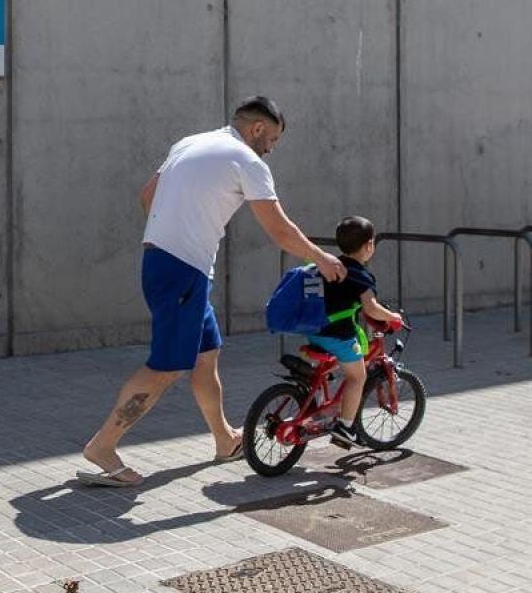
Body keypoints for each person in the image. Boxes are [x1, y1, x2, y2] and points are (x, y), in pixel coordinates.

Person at [77, 96, 347, 487]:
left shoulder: (190, 143)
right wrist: (320, 258)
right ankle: (103, 446)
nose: (272, 148)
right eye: (272, 139)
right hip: (182, 271)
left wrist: (176, 230)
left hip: (168, 264)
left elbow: (147, 197)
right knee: (167, 366)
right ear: (257, 128)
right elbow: (279, 230)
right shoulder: (247, 161)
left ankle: (224, 440)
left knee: (206, 355)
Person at [310, 216, 402, 447]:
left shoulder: (330, 264)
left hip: (314, 330)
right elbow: (371, 308)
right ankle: (346, 426)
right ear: (369, 245)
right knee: (357, 376)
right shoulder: (360, 275)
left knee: (328, 367)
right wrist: (393, 317)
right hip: (338, 335)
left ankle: (316, 406)